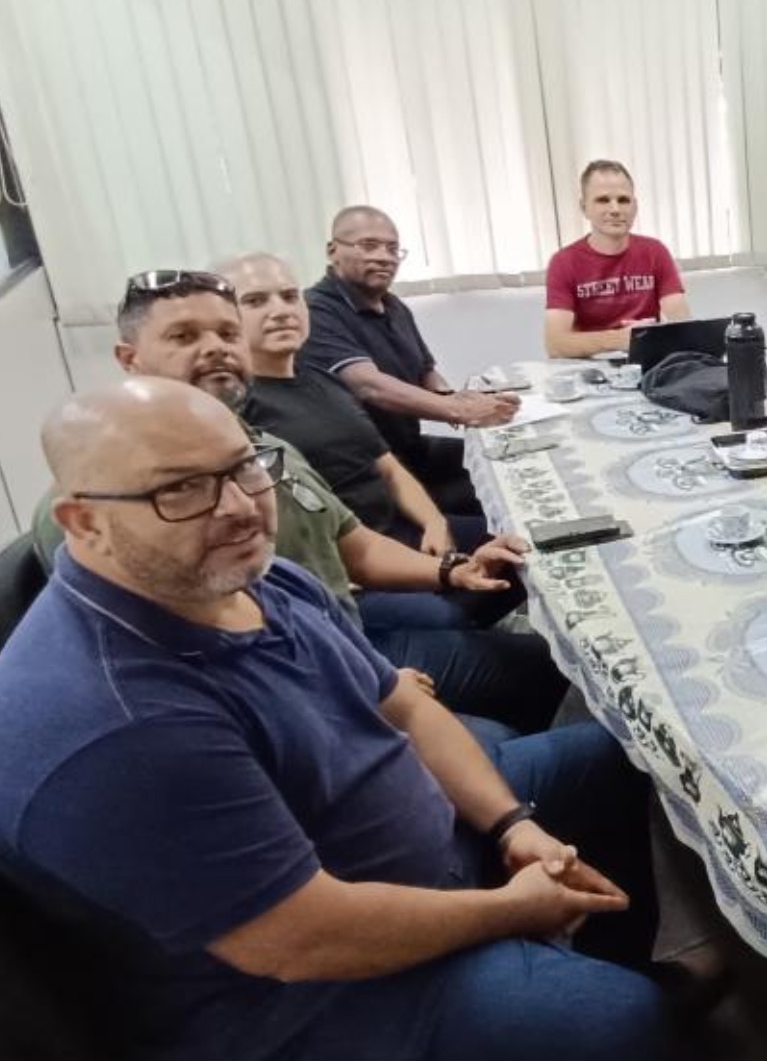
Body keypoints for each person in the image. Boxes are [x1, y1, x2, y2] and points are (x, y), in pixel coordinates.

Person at [0, 377, 679, 1061]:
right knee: (619, 1024)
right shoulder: (121, 724)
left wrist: (510, 824)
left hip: (409, 861)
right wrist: (517, 909)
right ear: (84, 522)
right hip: (298, 1006)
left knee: (609, 759)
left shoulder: (253, 579)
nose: (240, 506)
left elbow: (406, 709)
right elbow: (303, 939)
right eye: (181, 489)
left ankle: (606, 965)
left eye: (245, 466)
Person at [32, 269, 564, 734]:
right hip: (310, 703)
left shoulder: (266, 448)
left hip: (343, 644)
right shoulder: (110, 497)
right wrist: (362, 686)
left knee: (543, 660)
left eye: (226, 333)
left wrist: (452, 569)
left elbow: (350, 543)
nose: (215, 348)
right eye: (184, 336)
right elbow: (191, 666)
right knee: (549, 704)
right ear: (130, 359)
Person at [222, 251, 482, 557]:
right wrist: (441, 571)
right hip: (357, 555)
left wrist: (434, 522)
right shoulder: (239, 410)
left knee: (518, 534)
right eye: (255, 301)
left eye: (290, 297)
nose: (280, 311)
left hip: (401, 525)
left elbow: (386, 466)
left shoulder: (322, 377)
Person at [301, 204, 516, 514]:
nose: (384, 257)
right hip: (372, 474)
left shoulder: (393, 306)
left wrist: (472, 400)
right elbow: (369, 386)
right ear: (332, 251)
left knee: (511, 461)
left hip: (413, 450)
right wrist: (460, 410)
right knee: (503, 502)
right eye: (369, 245)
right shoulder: (317, 311)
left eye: (392, 249)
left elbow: (427, 373)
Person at [544, 160, 694, 357]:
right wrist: (622, 339)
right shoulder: (564, 262)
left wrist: (652, 335)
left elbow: (683, 326)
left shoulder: (655, 252)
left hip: (649, 363)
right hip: (590, 368)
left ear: (635, 206)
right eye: (603, 200)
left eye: (623, 200)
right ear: (584, 207)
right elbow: (555, 345)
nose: (615, 209)